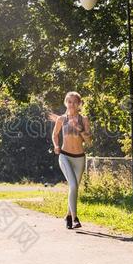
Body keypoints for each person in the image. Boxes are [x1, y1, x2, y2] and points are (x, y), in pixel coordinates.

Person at [52, 91, 92, 229]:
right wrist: (56, 146)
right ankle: (75, 219)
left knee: (74, 188)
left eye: (75, 102)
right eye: (69, 102)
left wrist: (79, 128)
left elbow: (89, 141)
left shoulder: (84, 119)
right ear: (65, 103)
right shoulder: (61, 119)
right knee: (73, 186)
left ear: (79, 104)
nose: (72, 104)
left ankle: (68, 216)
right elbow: (55, 135)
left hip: (79, 159)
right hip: (65, 156)